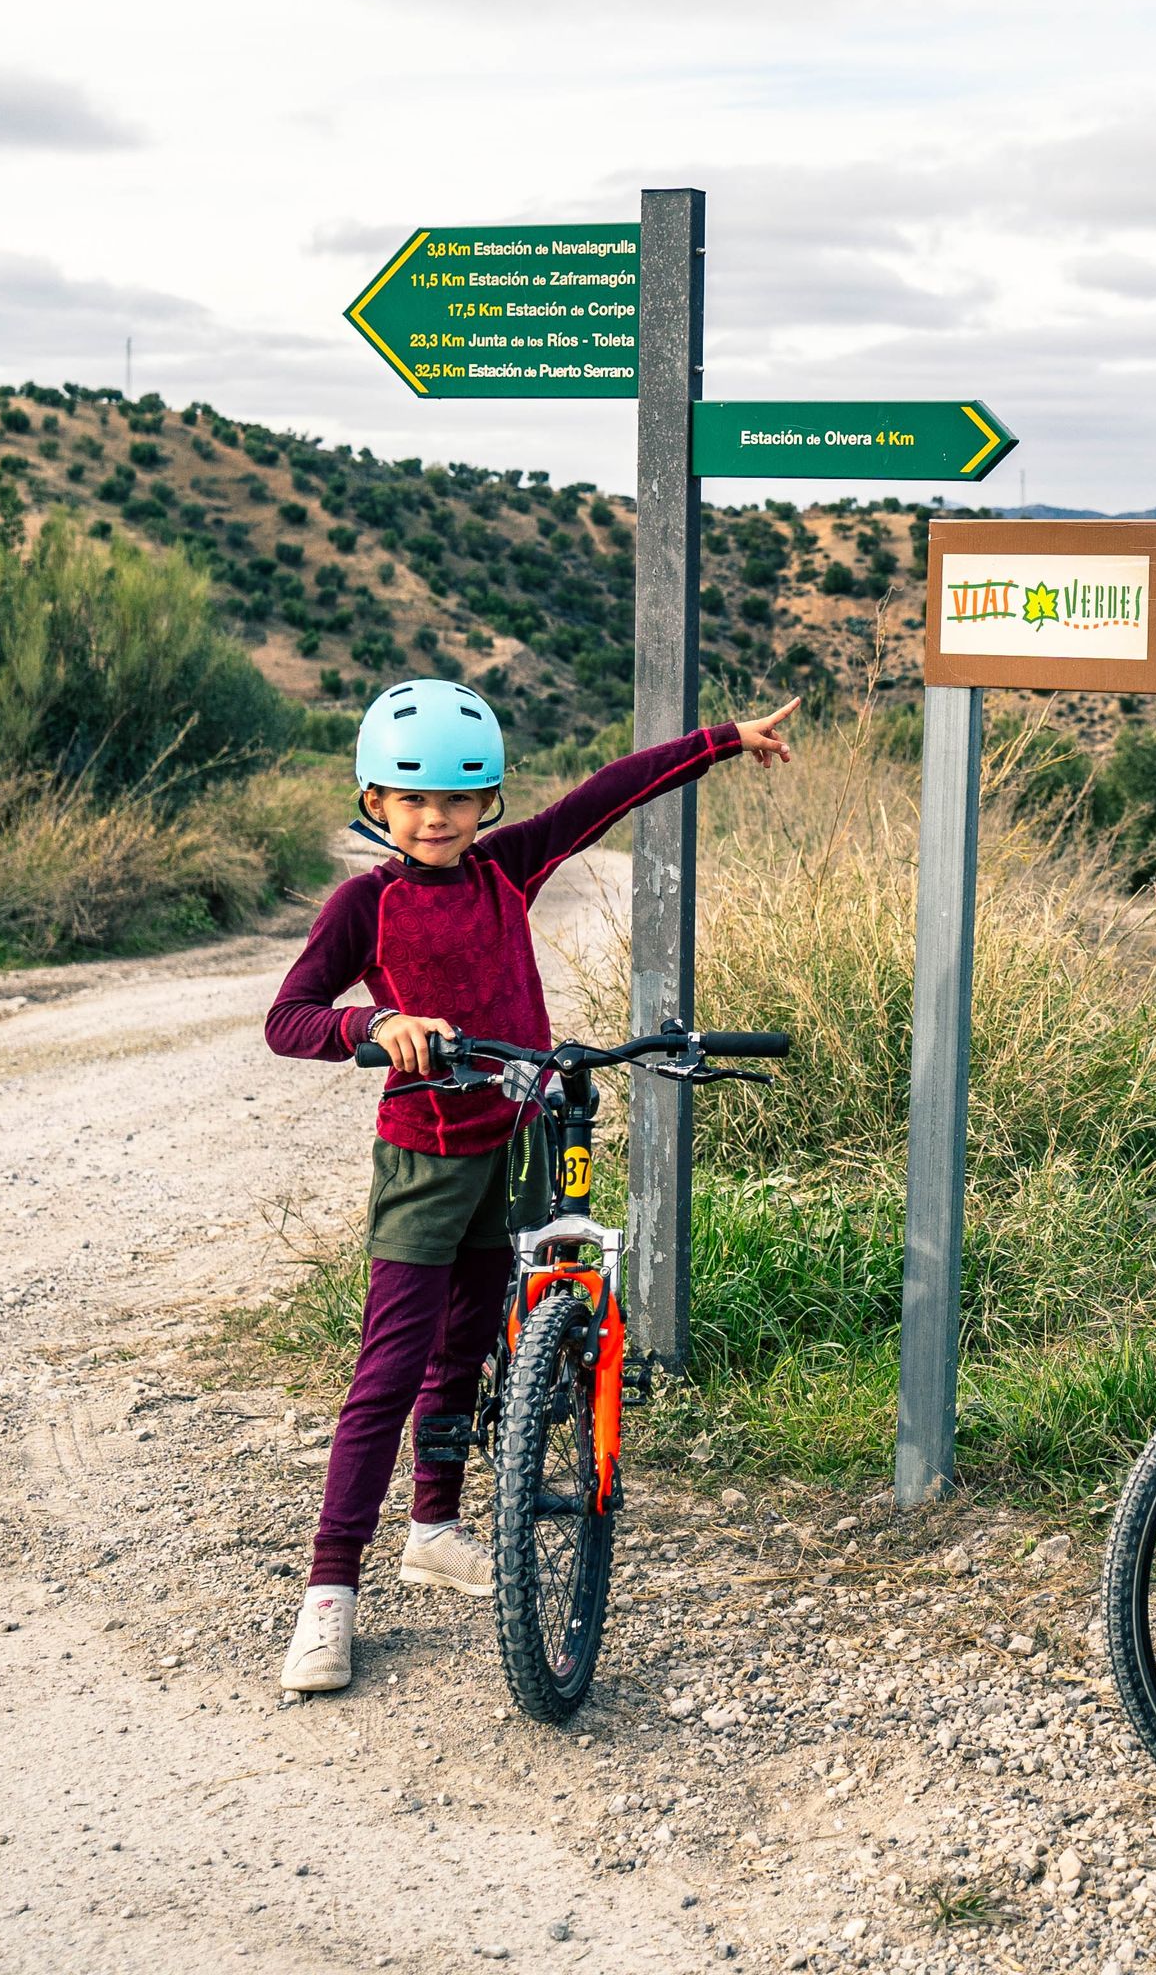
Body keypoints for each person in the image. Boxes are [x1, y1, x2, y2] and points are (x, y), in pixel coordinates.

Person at [261, 678, 799, 1695]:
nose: (437, 818)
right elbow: (289, 1016)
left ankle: (433, 1526)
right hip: (424, 1156)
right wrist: (371, 1025)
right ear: (374, 802)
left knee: (468, 1343)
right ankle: (328, 1595)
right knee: (389, 1372)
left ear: (488, 803)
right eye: (413, 800)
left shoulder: (505, 869)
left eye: (459, 800)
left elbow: (607, 794)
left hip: (517, 1139)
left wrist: (724, 740)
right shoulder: (364, 904)